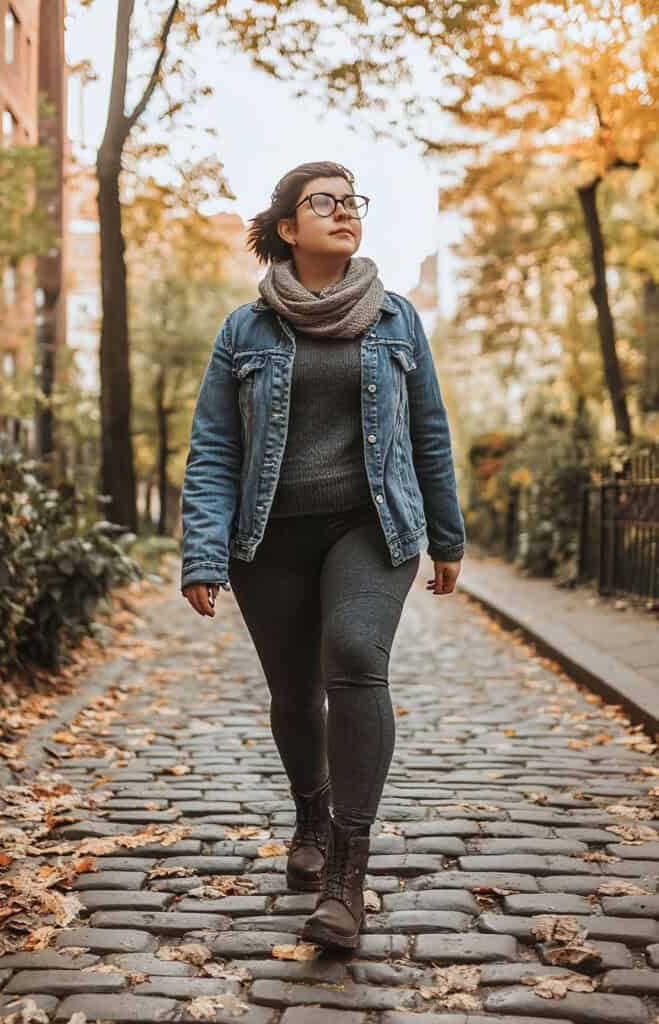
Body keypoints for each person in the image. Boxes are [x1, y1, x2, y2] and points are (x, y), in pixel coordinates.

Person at [180, 160, 465, 950]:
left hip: (370, 529)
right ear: (285, 227)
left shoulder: (396, 319)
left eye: (352, 201)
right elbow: (213, 447)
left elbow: (429, 435)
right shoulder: (246, 329)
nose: (344, 212)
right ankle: (309, 807)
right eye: (324, 202)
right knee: (295, 693)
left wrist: (447, 537)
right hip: (268, 538)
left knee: (352, 656)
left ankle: (346, 869)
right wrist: (202, 552)